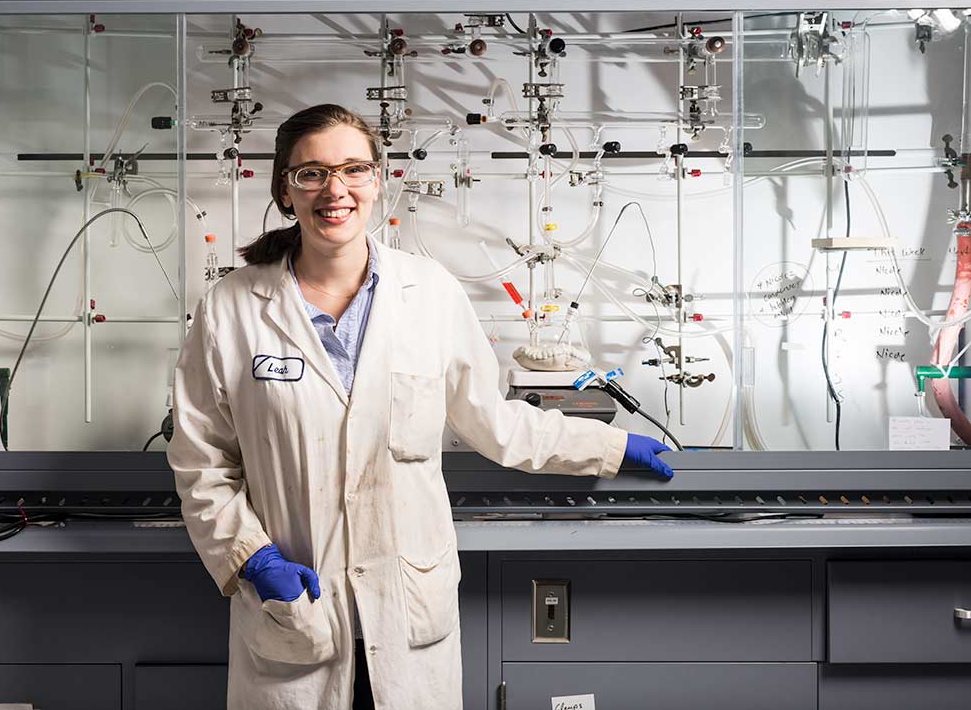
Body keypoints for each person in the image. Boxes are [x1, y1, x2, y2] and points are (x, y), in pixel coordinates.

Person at [168, 104, 674, 710]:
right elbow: (201, 460)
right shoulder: (232, 306)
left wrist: (611, 446)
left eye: (354, 169)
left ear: (379, 180)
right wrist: (253, 558)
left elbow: (493, 421)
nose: (336, 190)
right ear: (285, 188)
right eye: (312, 173)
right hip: (294, 612)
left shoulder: (429, 292)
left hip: (407, 608)